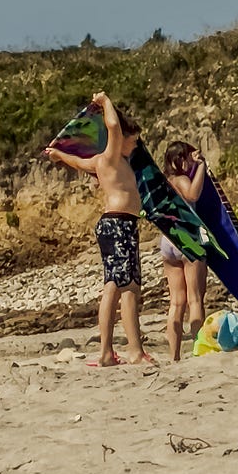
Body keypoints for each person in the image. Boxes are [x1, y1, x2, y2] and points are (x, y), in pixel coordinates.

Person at [44, 92, 153, 366]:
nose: (136, 143)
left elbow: (76, 162)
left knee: (121, 286)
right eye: (134, 138)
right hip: (118, 224)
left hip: (118, 225)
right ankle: (125, 352)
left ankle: (118, 351)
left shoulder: (101, 162)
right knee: (121, 287)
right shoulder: (111, 156)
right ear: (122, 138)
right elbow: (114, 127)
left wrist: (59, 154)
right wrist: (106, 103)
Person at [160, 140, 208, 359]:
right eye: (189, 158)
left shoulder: (163, 182)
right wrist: (201, 168)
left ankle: (174, 355)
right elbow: (192, 195)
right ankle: (198, 349)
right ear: (181, 159)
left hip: (168, 239)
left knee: (176, 301)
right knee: (195, 298)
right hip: (187, 237)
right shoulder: (180, 179)